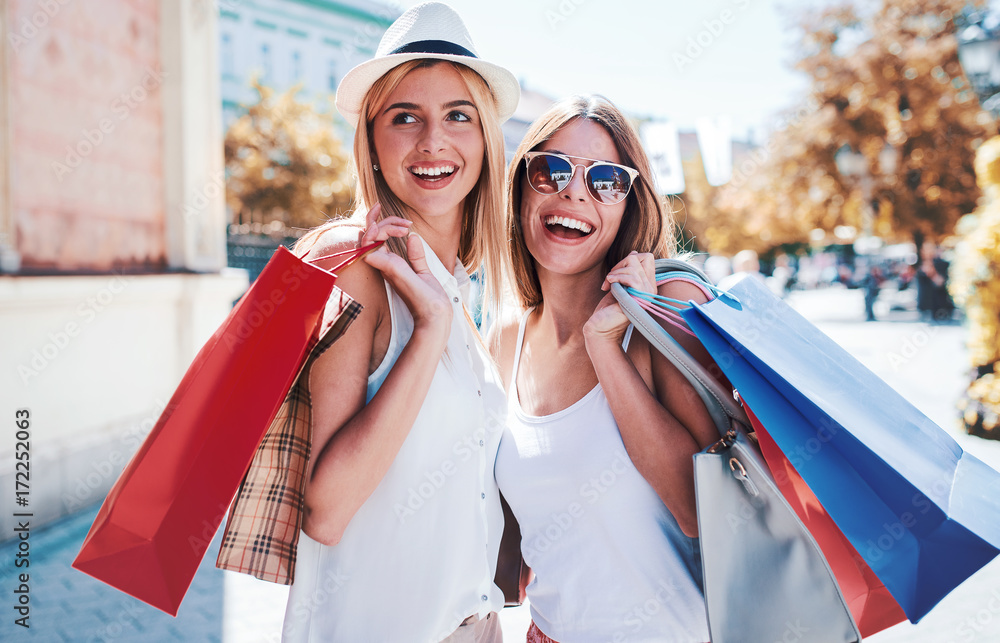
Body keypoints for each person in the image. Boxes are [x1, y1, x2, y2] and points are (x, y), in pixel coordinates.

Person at [282, 4, 519, 642]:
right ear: (372, 139)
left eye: (458, 116)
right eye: (404, 116)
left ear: (485, 139)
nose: (433, 141)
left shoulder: (465, 289)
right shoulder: (360, 273)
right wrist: (430, 329)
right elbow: (326, 512)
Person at [491, 95, 716, 643]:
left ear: (629, 204)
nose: (574, 192)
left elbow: (701, 511)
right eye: (551, 170)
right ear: (520, 184)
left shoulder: (670, 304)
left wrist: (607, 349)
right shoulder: (504, 342)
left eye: (608, 180)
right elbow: (507, 566)